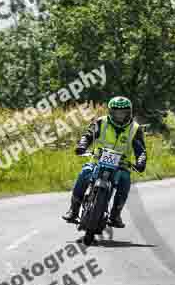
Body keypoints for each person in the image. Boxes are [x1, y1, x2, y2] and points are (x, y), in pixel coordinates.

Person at [62, 96, 147, 228]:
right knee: (85, 173)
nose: (120, 115)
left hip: (121, 164)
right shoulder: (101, 122)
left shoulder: (135, 128)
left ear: (129, 112)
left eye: (123, 112)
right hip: (97, 160)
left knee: (125, 180)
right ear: (111, 112)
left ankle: (115, 215)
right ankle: (73, 210)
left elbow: (140, 149)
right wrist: (82, 145)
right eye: (117, 112)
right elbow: (88, 135)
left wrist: (141, 161)